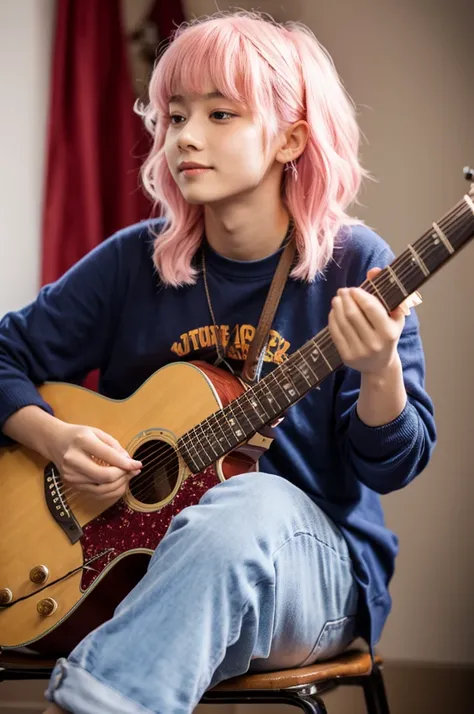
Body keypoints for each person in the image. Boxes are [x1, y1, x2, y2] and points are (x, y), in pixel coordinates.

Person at [0, 11, 436, 714]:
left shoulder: (358, 266)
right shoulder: (131, 264)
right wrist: (55, 438)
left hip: (312, 577)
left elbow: (392, 466)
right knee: (192, 591)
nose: (186, 138)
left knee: (249, 502)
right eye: (174, 117)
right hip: (140, 577)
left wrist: (380, 368)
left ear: (290, 137)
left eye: (220, 114)